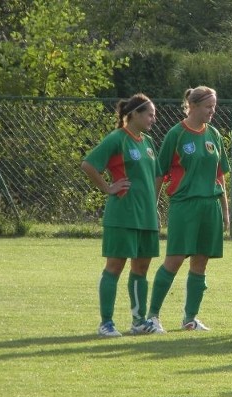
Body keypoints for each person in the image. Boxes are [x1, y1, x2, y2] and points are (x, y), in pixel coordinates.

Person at [144, 86, 230, 332]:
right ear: (192, 106)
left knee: (200, 263)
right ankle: (153, 317)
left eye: (214, 106)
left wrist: (225, 210)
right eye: (208, 106)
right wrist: (152, 207)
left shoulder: (214, 135)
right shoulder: (176, 134)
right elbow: (160, 174)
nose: (212, 111)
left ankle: (190, 318)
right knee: (175, 260)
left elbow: (219, 176)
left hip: (209, 206)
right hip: (184, 205)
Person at [80, 93, 163, 337]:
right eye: (149, 114)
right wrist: (107, 187)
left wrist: (154, 208)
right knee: (115, 266)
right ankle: (106, 323)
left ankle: (139, 321)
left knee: (142, 267)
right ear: (134, 114)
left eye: (154, 115)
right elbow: (88, 164)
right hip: (123, 214)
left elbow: (155, 176)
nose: (153, 119)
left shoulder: (147, 142)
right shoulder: (117, 138)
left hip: (146, 216)